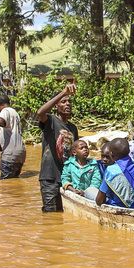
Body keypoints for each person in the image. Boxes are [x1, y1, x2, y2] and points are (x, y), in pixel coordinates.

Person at [36, 84, 79, 212]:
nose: (68, 104)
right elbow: (40, 112)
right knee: (51, 215)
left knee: (62, 213)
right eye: (63, 102)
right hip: (49, 177)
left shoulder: (73, 128)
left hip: (66, 178)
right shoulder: (51, 121)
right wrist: (63, 92)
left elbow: (75, 154)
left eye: (69, 102)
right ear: (56, 106)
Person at [94, 138, 134, 209]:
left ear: (111, 154)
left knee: (89, 191)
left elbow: (99, 201)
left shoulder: (111, 170)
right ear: (128, 151)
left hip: (118, 208)